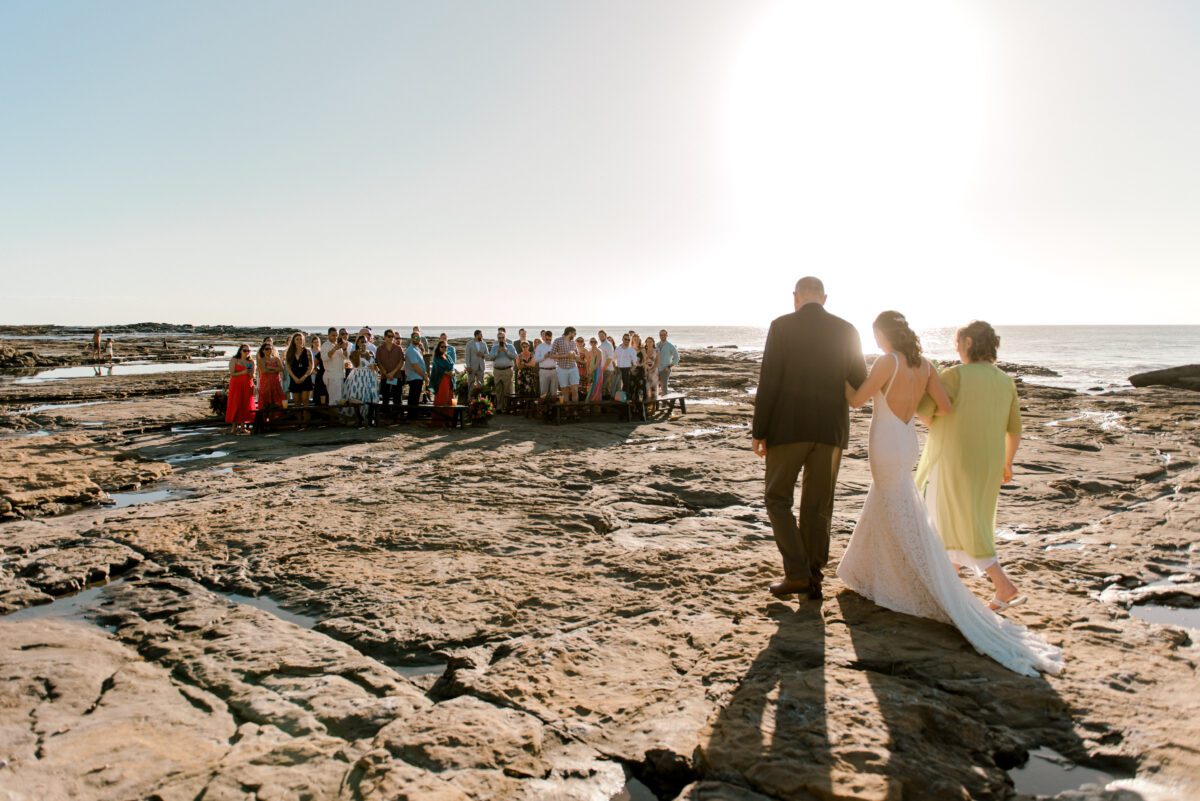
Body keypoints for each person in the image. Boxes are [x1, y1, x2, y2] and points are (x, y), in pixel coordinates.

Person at [836, 312, 1062, 675]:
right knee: (902, 506)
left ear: (883, 333)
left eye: (876, 334)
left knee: (912, 511)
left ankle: (933, 580)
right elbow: (950, 409)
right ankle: (868, 570)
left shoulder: (895, 362)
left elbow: (861, 401)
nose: (875, 339)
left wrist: (839, 379)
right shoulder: (930, 366)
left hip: (900, 445)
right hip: (924, 445)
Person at [752, 276, 867, 601]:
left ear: (796, 297)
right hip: (830, 431)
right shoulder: (847, 330)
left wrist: (759, 430)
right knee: (818, 506)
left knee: (777, 498)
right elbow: (859, 381)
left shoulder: (782, 326)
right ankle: (813, 576)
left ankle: (798, 573)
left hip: (787, 429)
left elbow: (769, 379)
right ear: (825, 298)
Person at [915, 320, 1028, 611]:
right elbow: (1014, 429)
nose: (956, 348)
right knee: (964, 518)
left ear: (967, 343)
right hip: (989, 461)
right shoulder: (1005, 381)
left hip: (956, 458)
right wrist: (1008, 463)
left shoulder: (955, 375)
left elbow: (928, 414)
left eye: (957, 342)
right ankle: (950, 583)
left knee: (962, 520)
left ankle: (1004, 585)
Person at [345, 335, 381, 425]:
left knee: (371, 397)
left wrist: (375, 367)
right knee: (357, 397)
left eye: (365, 341)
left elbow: (376, 366)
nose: (363, 343)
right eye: (361, 341)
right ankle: (359, 417)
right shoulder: (354, 353)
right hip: (359, 376)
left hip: (370, 377)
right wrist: (359, 352)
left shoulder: (371, 353)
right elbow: (356, 365)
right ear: (357, 343)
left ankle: (369, 417)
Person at [225, 345, 256, 433]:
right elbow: (232, 373)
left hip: (247, 384)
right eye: (245, 350)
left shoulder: (250, 362)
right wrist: (243, 372)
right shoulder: (234, 359)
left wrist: (252, 376)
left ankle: (243, 427)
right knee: (235, 403)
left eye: (248, 351)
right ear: (240, 351)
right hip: (236, 384)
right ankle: (234, 427)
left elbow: (251, 375)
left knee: (245, 404)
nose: (246, 352)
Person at [376, 329, 406, 416]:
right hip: (385, 377)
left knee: (397, 398)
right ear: (384, 337)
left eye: (392, 336)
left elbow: (401, 362)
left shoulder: (398, 348)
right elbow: (378, 362)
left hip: (396, 376)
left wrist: (392, 373)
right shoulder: (379, 349)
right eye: (389, 336)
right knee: (385, 398)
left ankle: (397, 417)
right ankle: (386, 416)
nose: (391, 338)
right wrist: (386, 373)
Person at [285, 332, 314, 422]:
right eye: (297, 339)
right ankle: (299, 421)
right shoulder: (289, 352)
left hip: (305, 378)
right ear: (293, 340)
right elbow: (287, 367)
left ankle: (306, 421)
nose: (299, 341)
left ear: (303, 340)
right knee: (297, 402)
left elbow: (311, 366)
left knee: (305, 401)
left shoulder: (307, 351)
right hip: (294, 378)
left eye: (301, 339)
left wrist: (304, 377)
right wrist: (294, 378)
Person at [428, 340, 457, 427]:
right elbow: (439, 369)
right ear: (439, 348)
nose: (444, 348)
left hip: (450, 380)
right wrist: (448, 373)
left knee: (450, 399)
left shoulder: (448, 356)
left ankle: (448, 420)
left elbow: (452, 367)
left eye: (446, 347)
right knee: (442, 399)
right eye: (442, 347)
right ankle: (438, 421)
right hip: (441, 381)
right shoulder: (437, 358)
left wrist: (452, 373)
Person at [489, 328, 518, 412]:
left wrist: (506, 351)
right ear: (497, 338)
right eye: (499, 338)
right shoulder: (494, 347)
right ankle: (499, 407)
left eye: (502, 337)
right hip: (497, 370)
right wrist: (497, 352)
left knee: (507, 390)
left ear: (505, 338)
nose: (501, 339)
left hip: (507, 370)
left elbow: (515, 356)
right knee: (498, 390)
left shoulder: (510, 346)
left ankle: (506, 407)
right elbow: (491, 357)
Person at [550, 327, 580, 403]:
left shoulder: (573, 342)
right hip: (561, 368)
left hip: (573, 368)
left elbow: (578, 357)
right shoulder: (557, 340)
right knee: (565, 391)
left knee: (575, 390)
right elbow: (552, 355)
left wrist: (574, 355)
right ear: (570, 333)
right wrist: (565, 355)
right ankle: (567, 410)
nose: (575, 335)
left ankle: (574, 411)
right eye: (574, 333)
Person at [405, 334, 429, 421]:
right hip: (414, 377)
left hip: (418, 377)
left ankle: (413, 417)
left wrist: (424, 375)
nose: (417, 339)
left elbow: (420, 363)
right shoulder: (411, 350)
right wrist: (424, 376)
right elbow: (415, 366)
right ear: (411, 339)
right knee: (413, 398)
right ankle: (411, 417)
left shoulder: (417, 349)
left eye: (418, 337)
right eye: (415, 337)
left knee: (416, 398)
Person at [258, 343, 287, 409]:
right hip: (265, 384)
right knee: (265, 404)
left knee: (277, 403)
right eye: (266, 349)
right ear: (263, 350)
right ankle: (265, 418)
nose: (269, 350)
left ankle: (275, 418)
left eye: (270, 349)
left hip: (275, 383)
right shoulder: (261, 360)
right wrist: (275, 369)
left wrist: (271, 368)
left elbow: (282, 369)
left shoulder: (276, 359)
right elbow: (264, 370)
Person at [534, 330, 558, 401]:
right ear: (544, 337)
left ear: (552, 337)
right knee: (543, 392)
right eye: (547, 339)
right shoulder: (540, 347)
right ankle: (543, 410)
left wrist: (554, 357)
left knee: (554, 392)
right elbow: (536, 359)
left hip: (554, 370)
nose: (548, 341)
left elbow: (558, 359)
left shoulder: (554, 346)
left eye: (550, 339)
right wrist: (544, 357)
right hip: (543, 371)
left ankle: (553, 410)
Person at [613, 333, 639, 401]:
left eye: (628, 339)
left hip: (627, 370)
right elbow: (613, 359)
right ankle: (618, 401)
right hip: (618, 369)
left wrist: (630, 371)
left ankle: (625, 403)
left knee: (626, 387)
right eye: (625, 339)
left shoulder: (632, 350)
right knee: (617, 386)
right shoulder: (618, 349)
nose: (627, 341)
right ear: (622, 339)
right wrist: (615, 368)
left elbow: (635, 363)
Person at [325, 336, 349, 405]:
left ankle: (338, 415)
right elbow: (325, 358)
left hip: (341, 376)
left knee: (340, 400)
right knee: (333, 401)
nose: (338, 338)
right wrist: (335, 348)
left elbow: (346, 357)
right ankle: (333, 415)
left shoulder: (341, 347)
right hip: (332, 377)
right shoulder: (326, 345)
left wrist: (344, 349)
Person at [598, 330, 617, 399]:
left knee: (605, 388)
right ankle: (604, 406)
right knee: (603, 388)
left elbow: (609, 358)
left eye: (602, 335)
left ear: (605, 335)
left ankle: (607, 407)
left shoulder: (608, 344)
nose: (601, 337)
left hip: (607, 370)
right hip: (603, 369)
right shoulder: (601, 345)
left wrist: (603, 368)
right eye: (599, 336)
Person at [311, 335, 328, 406]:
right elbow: (313, 366)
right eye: (315, 342)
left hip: (326, 374)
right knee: (314, 390)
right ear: (312, 343)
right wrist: (318, 372)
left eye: (318, 342)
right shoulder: (312, 352)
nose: (316, 343)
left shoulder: (322, 351)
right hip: (314, 374)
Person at [587, 337, 605, 402]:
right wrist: (588, 372)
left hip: (597, 372)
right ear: (590, 343)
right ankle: (590, 405)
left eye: (595, 342)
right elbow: (588, 363)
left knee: (597, 387)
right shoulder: (589, 352)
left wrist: (590, 372)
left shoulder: (599, 351)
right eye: (592, 342)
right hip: (590, 371)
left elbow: (597, 364)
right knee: (591, 388)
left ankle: (597, 406)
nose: (593, 343)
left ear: (597, 343)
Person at [642, 337, 659, 402]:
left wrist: (652, 369)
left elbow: (657, 362)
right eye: (648, 341)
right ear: (646, 342)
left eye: (650, 341)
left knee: (654, 387)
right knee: (646, 386)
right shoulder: (643, 350)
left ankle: (654, 403)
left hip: (654, 371)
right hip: (646, 371)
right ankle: (647, 403)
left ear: (653, 343)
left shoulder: (656, 351)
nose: (649, 343)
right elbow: (642, 361)